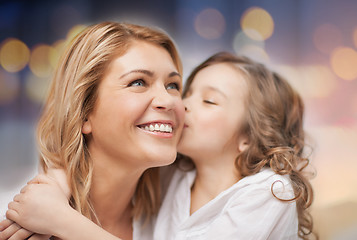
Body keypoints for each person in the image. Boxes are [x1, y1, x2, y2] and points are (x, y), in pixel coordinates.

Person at [1, 52, 316, 240]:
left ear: (249, 136)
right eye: (186, 92)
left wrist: (61, 220)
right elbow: (102, 157)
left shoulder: (270, 192)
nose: (179, 105)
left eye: (208, 100)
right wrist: (57, 183)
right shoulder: (174, 175)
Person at [0, 21, 185, 240]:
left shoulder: (180, 219)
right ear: (83, 112)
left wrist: (62, 220)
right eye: (138, 82)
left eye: (173, 85)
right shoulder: (14, 219)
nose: (168, 100)